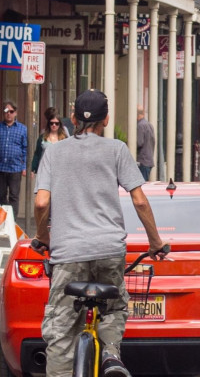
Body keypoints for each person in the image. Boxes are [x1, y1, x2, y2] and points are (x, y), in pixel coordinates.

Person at [32, 89, 168, 377]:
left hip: (68, 255)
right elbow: (140, 199)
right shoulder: (117, 149)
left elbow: (42, 201)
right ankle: (110, 353)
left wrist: (44, 237)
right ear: (105, 119)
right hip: (109, 251)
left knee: (61, 328)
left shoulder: (54, 152)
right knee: (114, 307)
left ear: (72, 118)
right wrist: (155, 242)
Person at [0, 100, 27, 219]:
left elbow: (25, 148)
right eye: (6, 111)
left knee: (14, 196)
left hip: (15, 167)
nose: (8, 114)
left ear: (15, 113)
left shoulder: (22, 129)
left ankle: (12, 220)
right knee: (1, 195)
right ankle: (3, 220)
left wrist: (24, 167)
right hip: (1, 167)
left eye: (11, 111)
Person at [31, 109, 68, 175]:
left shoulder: (64, 138)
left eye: (56, 123)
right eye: (51, 123)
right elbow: (37, 153)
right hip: (44, 170)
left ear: (60, 124)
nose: (54, 125)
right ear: (48, 124)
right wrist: (33, 168)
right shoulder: (42, 137)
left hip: (59, 171)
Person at [137, 106, 155, 181]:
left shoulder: (140, 125)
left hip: (143, 160)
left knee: (141, 185)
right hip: (149, 159)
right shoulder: (149, 125)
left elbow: (139, 142)